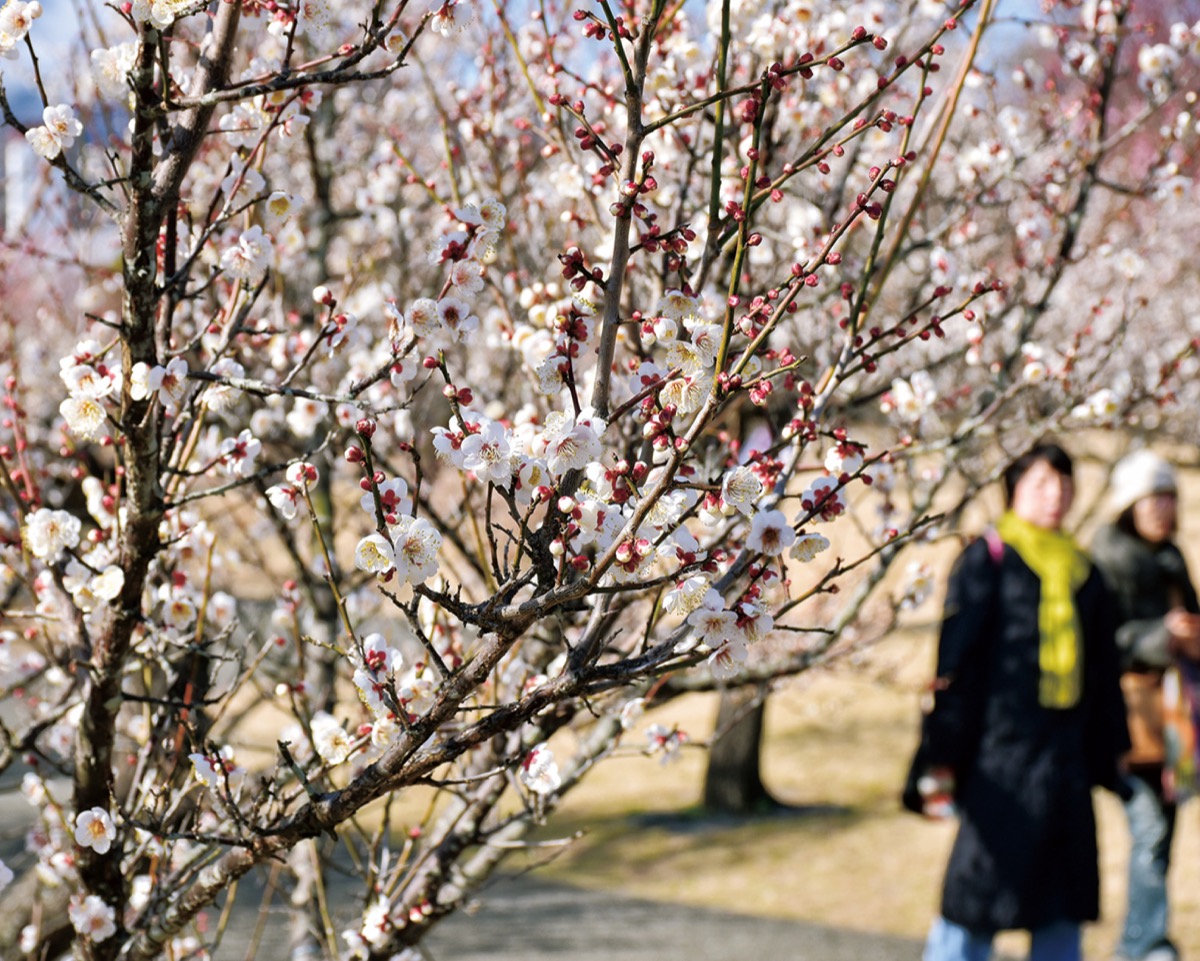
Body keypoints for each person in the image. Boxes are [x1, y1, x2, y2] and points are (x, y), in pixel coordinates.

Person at [920, 443, 1130, 961]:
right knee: (974, 899)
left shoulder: (1086, 571)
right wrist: (938, 758)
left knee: (1062, 902)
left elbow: (1104, 676)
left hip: (1065, 763)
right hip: (998, 758)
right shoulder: (987, 559)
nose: (1055, 494)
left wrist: (1115, 752)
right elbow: (955, 667)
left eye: (1064, 482)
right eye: (1041, 483)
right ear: (1013, 490)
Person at [1090, 449, 1200, 961]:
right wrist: (1162, 635)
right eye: (1152, 498)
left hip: (1176, 719)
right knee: (1151, 828)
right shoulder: (1108, 558)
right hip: (1129, 720)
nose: (1162, 509)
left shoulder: (1171, 558)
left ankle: (1144, 939)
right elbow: (1103, 641)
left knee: (1163, 831)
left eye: (1169, 498)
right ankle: (1145, 944)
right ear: (1129, 503)